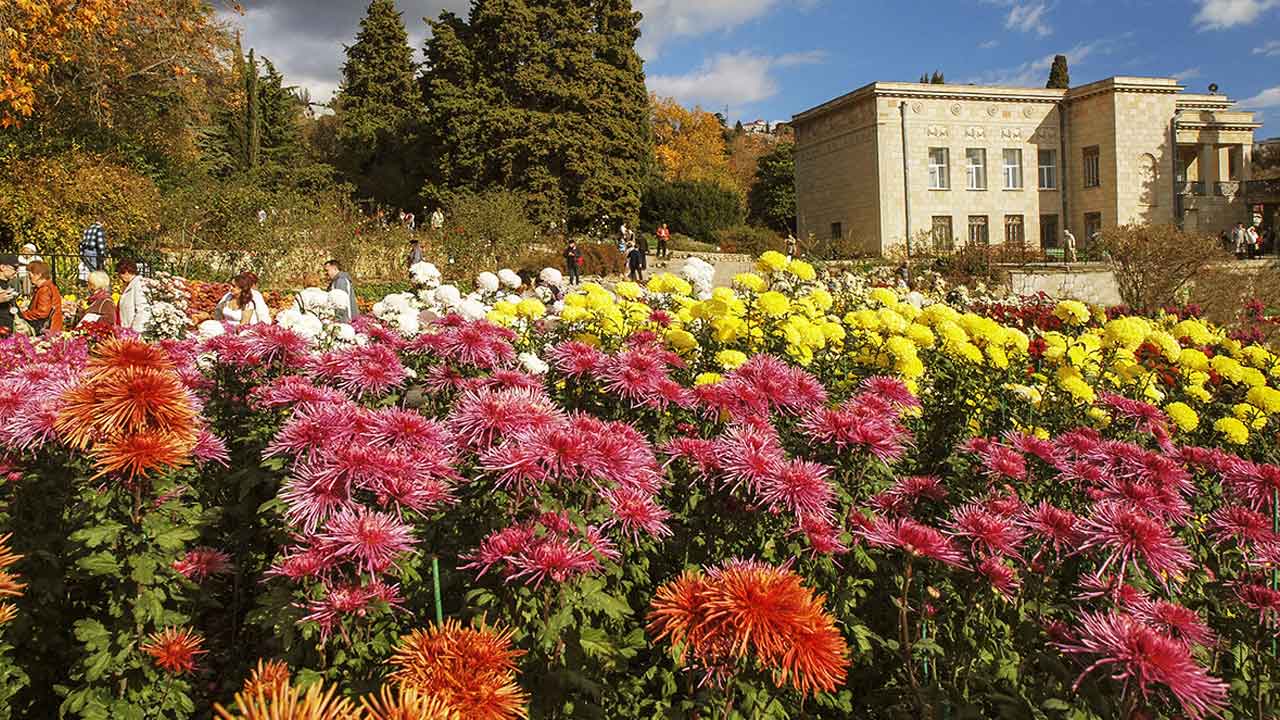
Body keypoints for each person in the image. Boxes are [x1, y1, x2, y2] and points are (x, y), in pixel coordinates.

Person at [21, 261, 63, 335]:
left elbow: (42, 313)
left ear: (38, 275)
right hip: (51, 327)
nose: (29, 277)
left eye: (30, 275)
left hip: (47, 329)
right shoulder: (48, 286)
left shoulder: (45, 290)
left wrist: (23, 314)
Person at [117, 260, 151, 333]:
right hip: (126, 330)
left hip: (134, 332)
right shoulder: (129, 285)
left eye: (121, 273)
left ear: (126, 272)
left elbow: (142, 309)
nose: (119, 276)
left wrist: (134, 331)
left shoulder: (138, 285)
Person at [0, 255, 19, 338]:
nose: (16, 272)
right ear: (3, 267)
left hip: (8, 331)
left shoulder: (8, 284)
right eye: (15, 268)